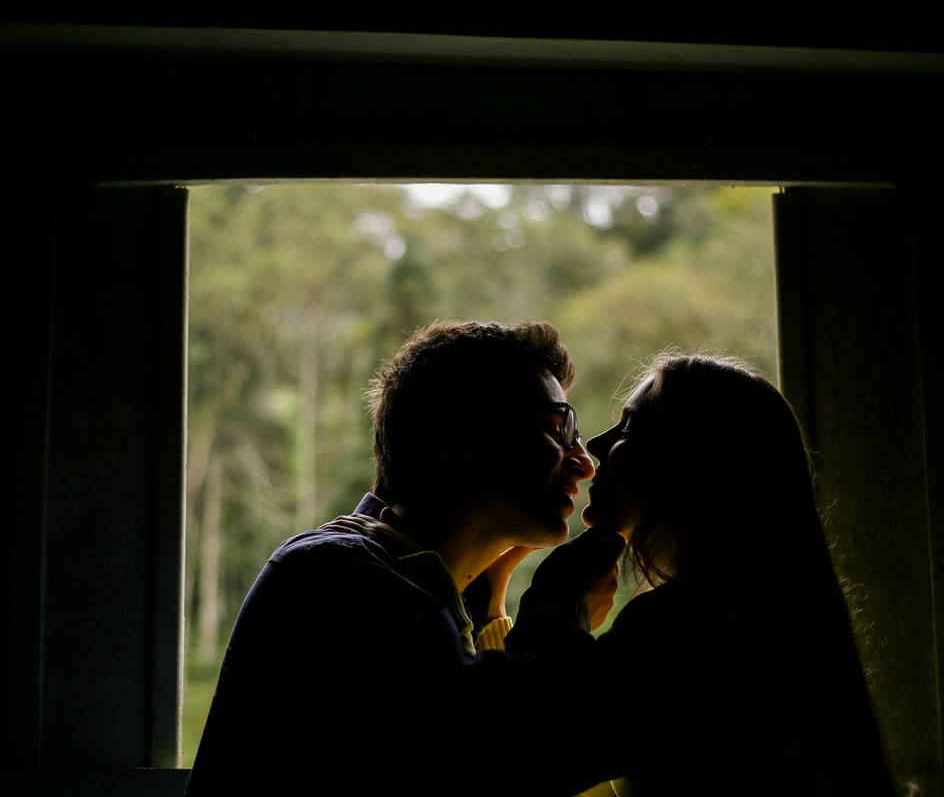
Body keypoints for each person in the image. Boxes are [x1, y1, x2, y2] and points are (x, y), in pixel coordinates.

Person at [184, 320, 625, 796]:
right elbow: (498, 759)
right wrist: (561, 610)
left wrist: (487, 611)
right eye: (557, 428)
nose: (583, 461)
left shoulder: (395, 583)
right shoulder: (336, 579)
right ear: (465, 435)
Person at [528, 353, 897, 797]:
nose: (597, 447)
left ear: (692, 461)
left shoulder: (696, 620)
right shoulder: (755, 611)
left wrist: (556, 605)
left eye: (628, 428)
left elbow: (537, 754)